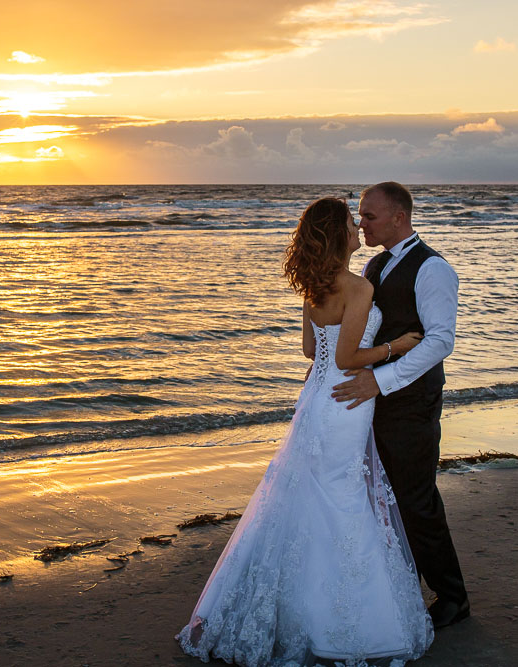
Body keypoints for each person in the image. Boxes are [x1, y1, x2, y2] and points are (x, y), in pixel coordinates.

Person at [175, 197, 433, 666]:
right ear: (339, 236)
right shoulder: (357, 288)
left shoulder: (313, 286)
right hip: (347, 399)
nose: (359, 230)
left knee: (305, 496)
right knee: (343, 496)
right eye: (352, 226)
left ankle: (296, 606)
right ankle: (340, 619)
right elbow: (344, 359)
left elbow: (309, 350)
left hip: (317, 401)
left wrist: (344, 356)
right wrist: (395, 346)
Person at [331, 182, 470, 629]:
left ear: (398, 217)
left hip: (411, 402)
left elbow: (439, 341)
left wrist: (381, 379)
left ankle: (452, 598)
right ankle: (400, 588)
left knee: (416, 499)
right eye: (359, 215)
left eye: (369, 216)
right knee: (380, 498)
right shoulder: (374, 264)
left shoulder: (432, 269)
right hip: (372, 402)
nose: (360, 222)